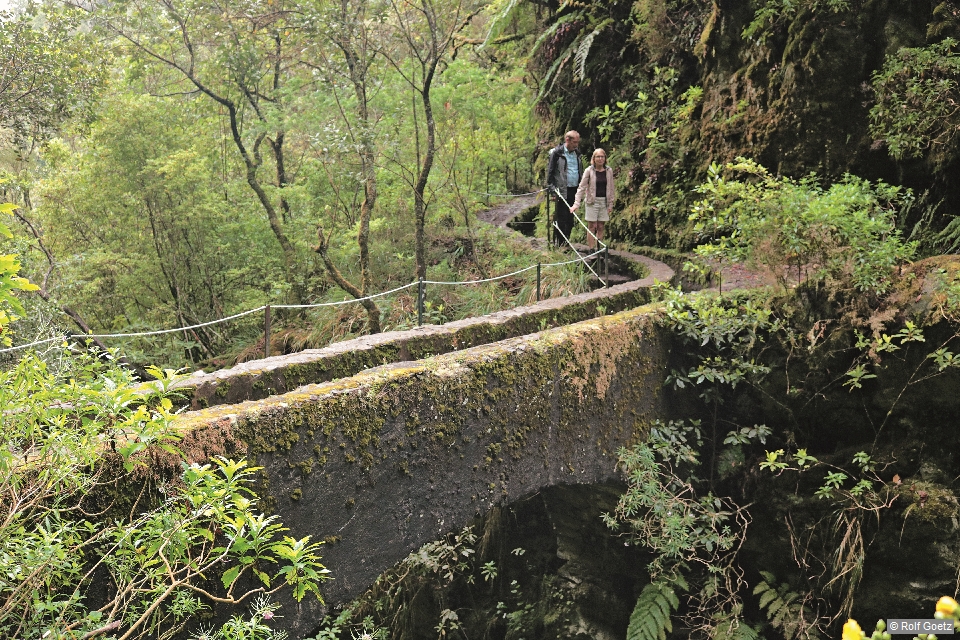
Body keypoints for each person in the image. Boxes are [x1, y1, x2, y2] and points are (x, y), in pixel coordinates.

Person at [570, 148, 615, 251]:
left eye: (602, 156)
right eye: (598, 157)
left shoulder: (609, 171)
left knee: (600, 226)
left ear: (605, 158)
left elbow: (611, 188)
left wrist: (610, 204)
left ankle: (599, 248)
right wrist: (576, 203)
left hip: (604, 202)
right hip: (592, 202)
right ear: (594, 158)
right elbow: (582, 187)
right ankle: (591, 249)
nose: (600, 159)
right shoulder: (589, 171)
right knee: (592, 226)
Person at [546, 131, 582, 247]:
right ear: (567, 140)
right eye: (574, 142)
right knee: (562, 217)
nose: (576, 145)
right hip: (561, 191)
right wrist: (552, 190)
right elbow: (550, 173)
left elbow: (579, 170)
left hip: (574, 189)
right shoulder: (557, 153)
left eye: (577, 142)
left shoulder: (577, 153)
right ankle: (561, 244)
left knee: (571, 218)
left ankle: (566, 242)